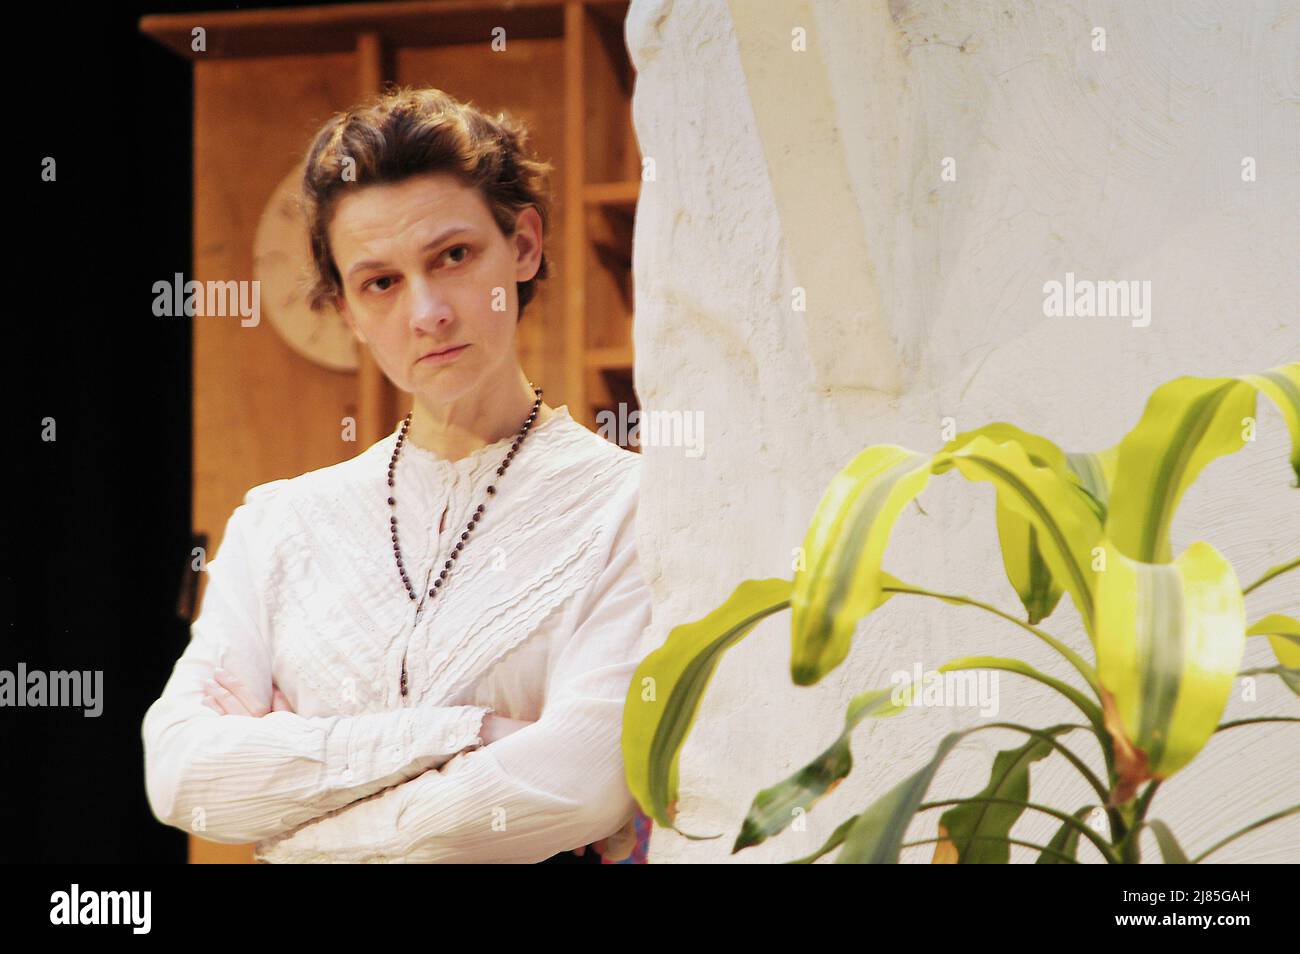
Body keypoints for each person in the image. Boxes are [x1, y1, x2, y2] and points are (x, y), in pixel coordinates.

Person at [141, 86, 653, 863]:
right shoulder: (279, 526)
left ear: (522, 245)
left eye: (453, 256)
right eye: (380, 281)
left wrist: (297, 826)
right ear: (346, 310)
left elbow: (583, 785)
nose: (427, 313)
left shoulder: (629, 508)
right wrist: (467, 733)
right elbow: (183, 776)